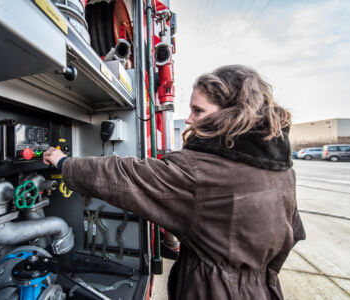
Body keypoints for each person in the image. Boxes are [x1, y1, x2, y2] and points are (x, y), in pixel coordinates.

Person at [43, 65, 306, 300]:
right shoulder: (282, 168)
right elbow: (292, 232)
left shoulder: (202, 170)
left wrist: (65, 163)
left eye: (198, 110)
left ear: (232, 114)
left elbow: (127, 175)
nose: (189, 119)